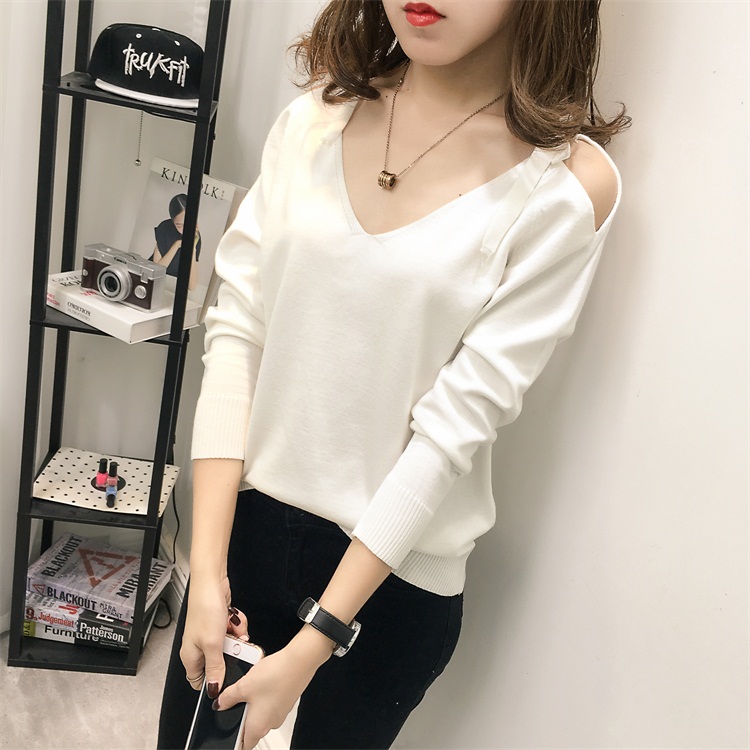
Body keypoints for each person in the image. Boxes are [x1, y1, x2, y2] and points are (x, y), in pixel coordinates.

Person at [158, 1, 629, 748]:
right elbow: (239, 332)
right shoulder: (314, 119)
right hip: (246, 540)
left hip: (391, 584)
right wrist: (207, 569)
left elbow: (454, 428)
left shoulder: (566, 187)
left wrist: (315, 644)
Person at [150, 193, 201, 291]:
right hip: (154, 281)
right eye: (179, 225)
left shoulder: (196, 237)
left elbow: (192, 286)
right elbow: (157, 271)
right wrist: (177, 244)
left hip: (174, 286)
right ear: (173, 221)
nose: (185, 229)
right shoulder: (165, 228)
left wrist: (193, 250)